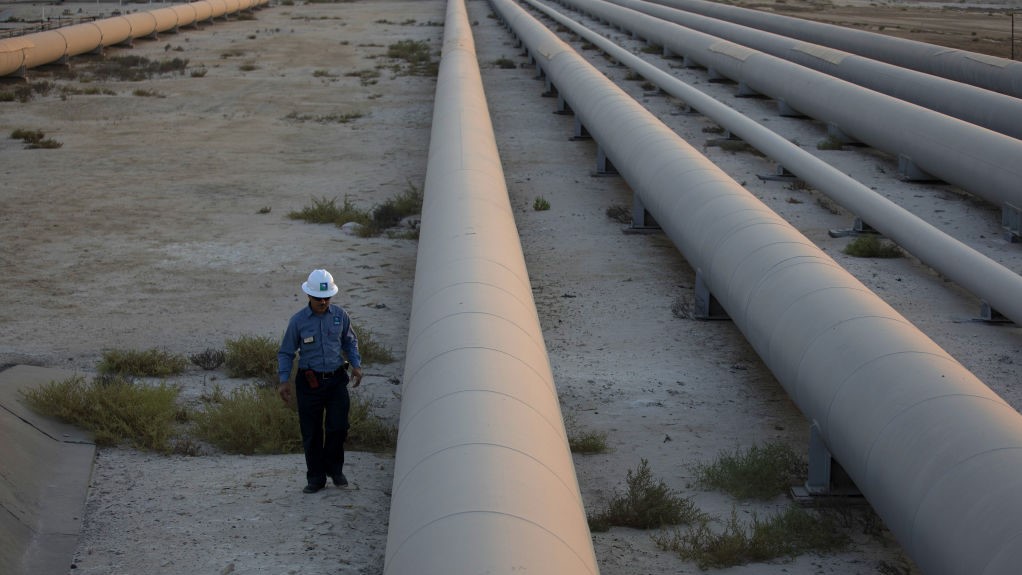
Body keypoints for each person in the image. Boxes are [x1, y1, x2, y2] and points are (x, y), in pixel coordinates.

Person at [278, 268, 364, 494]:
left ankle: (335, 470)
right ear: (309, 295)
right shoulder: (298, 322)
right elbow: (286, 352)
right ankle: (316, 478)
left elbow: (350, 341)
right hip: (309, 383)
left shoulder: (340, 316)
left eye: (327, 297)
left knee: (338, 427)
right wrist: (284, 380)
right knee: (312, 432)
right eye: (318, 298)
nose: (323, 302)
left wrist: (356, 365)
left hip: (336, 380)